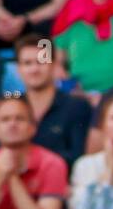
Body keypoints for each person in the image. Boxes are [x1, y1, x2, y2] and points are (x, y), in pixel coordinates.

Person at [0, 94, 70, 209]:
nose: (12, 124)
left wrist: (12, 177)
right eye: (5, 119)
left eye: (19, 119)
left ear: (33, 127)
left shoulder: (51, 163)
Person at [14, 33, 91, 169]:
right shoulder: (8, 109)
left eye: (41, 62)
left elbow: (79, 158)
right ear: (18, 69)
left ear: (54, 65)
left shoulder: (77, 107)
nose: (34, 69)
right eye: (27, 63)